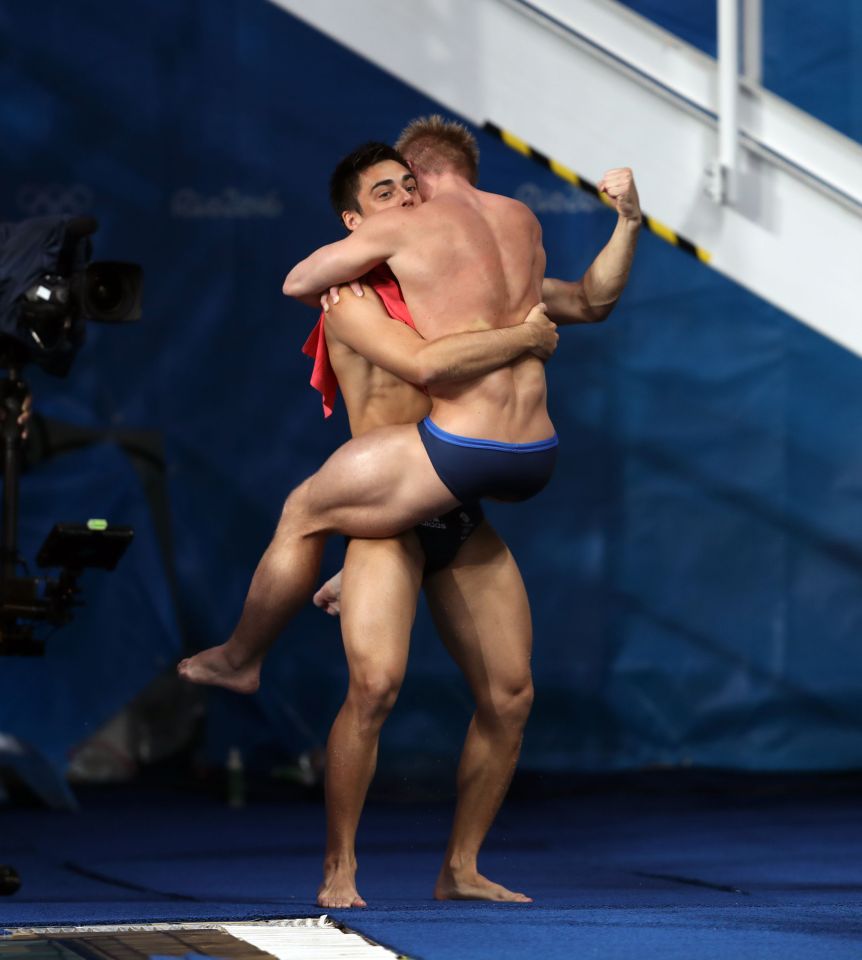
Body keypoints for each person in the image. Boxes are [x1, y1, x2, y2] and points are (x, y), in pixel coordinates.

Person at [180, 123, 641, 905]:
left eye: (407, 185)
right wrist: (522, 337)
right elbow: (428, 363)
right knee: (377, 687)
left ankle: (460, 867)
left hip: (450, 503)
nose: (404, 198)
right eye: (384, 194)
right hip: (388, 514)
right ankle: (339, 864)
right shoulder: (352, 298)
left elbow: (585, 301)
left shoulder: (448, 277)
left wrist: (626, 227)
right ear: (359, 224)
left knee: (511, 696)